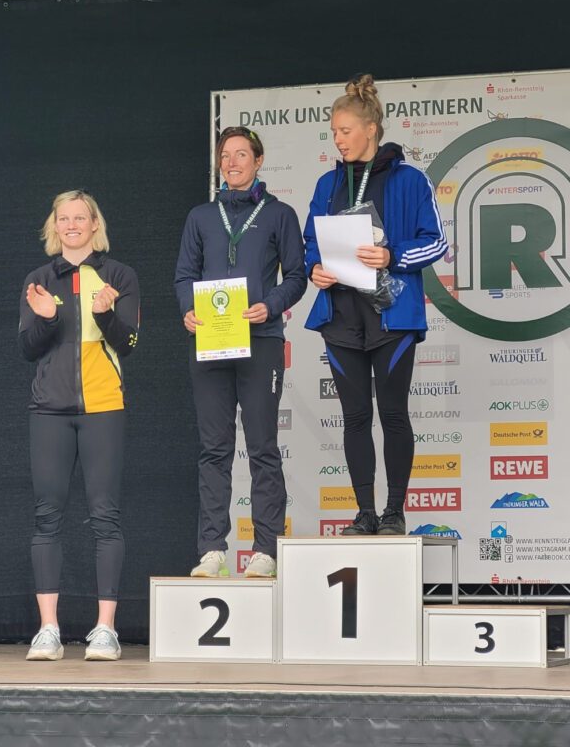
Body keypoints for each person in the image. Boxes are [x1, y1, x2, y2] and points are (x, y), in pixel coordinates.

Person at [304, 74, 447, 536]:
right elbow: (311, 242)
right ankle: (364, 512)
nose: (338, 139)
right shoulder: (328, 183)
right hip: (341, 316)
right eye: (334, 132)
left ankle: (394, 512)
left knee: (393, 413)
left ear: (370, 129)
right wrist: (314, 268)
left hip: (392, 315)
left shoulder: (410, 179)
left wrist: (392, 256)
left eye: (345, 130)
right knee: (355, 417)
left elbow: (437, 242)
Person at [175, 126, 306, 578]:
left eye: (241, 155)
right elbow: (184, 275)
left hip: (261, 339)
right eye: (225, 156)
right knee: (214, 449)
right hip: (211, 341)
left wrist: (271, 304)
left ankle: (265, 549)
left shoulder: (280, 214)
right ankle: (212, 549)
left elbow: (297, 276)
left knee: (262, 446)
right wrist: (188, 309)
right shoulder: (200, 216)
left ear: (258, 161)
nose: (231, 163)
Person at [19, 190, 140, 661]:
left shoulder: (119, 276)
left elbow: (128, 343)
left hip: (103, 408)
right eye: (63, 218)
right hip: (48, 411)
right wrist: (49, 318)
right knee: (46, 517)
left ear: (94, 225)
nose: (71, 225)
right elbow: (28, 348)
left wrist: (105, 313)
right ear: (55, 226)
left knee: (105, 516)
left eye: (80, 218)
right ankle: (47, 629)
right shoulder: (38, 279)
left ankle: (105, 630)